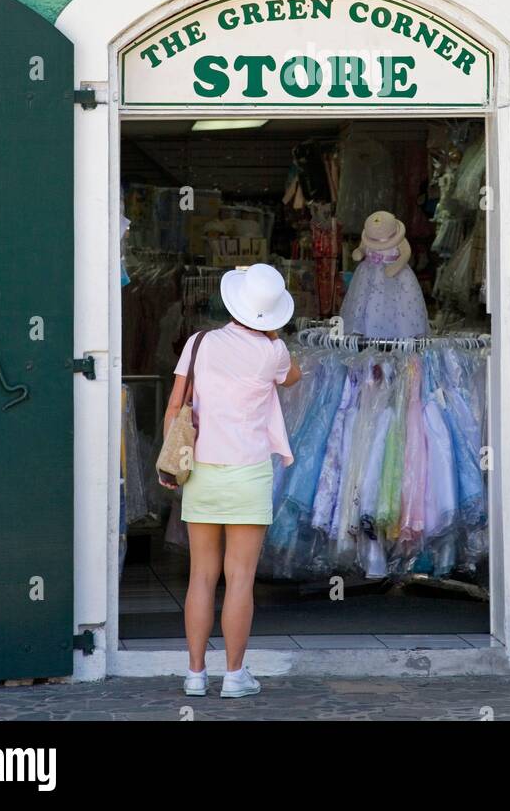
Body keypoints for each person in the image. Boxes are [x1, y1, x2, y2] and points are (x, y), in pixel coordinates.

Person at [160, 262, 301, 699]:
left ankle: (195, 674)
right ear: (272, 313)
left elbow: (174, 407)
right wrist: (272, 331)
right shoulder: (273, 354)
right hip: (249, 471)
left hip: (201, 469)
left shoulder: (199, 343)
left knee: (201, 575)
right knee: (240, 578)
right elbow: (292, 377)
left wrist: (171, 462)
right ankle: (235, 676)